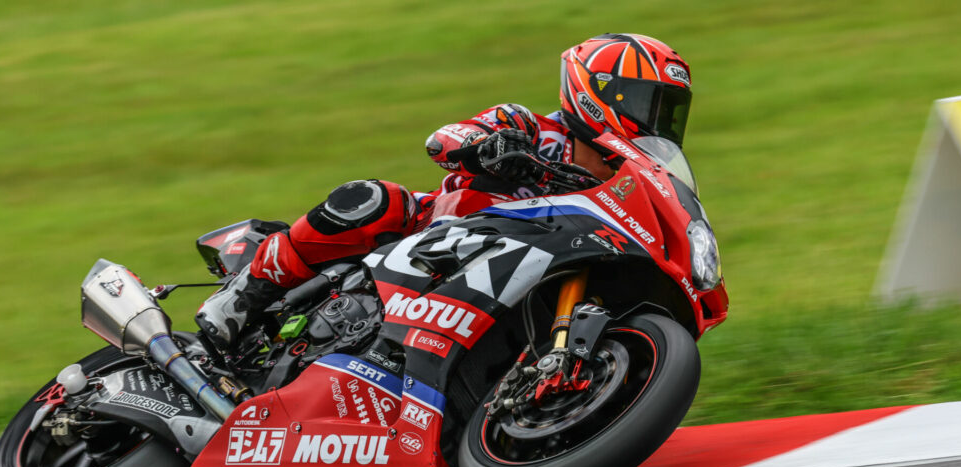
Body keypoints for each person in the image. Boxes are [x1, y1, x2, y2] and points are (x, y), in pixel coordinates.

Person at [196, 33, 693, 348]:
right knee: (374, 198)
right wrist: (489, 146)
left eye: (667, 111)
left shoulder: (620, 180)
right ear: (600, 90)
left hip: (517, 272)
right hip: (435, 235)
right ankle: (246, 294)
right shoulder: (529, 124)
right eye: (648, 103)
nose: (655, 121)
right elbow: (444, 139)